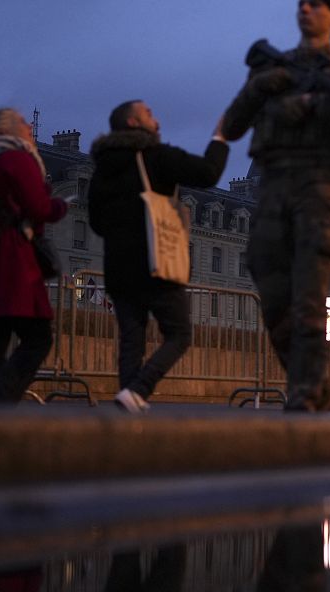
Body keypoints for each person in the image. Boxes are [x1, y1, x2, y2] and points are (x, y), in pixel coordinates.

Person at [221, 0, 330, 412]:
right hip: (273, 185)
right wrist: (261, 87)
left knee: (310, 295)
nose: (307, 11)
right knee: (273, 294)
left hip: (319, 186)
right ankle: (315, 383)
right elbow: (234, 123)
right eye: (303, 4)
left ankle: (304, 392)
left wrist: (315, 106)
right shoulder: (272, 68)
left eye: (317, 5)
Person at [88, 101, 228, 413]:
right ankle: (140, 388)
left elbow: (96, 222)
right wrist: (220, 138)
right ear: (133, 122)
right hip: (156, 260)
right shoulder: (155, 157)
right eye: (149, 114)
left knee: (131, 338)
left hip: (119, 267)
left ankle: (129, 399)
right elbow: (208, 173)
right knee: (178, 334)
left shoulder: (102, 169)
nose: (158, 120)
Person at [0, 108, 66, 403]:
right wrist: (59, 206)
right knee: (37, 339)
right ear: (9, 129)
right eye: (23, 121)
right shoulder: (16, 159)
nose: (30, 125)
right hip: (12, 263)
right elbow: (39, 208)